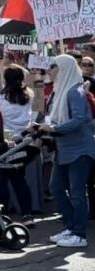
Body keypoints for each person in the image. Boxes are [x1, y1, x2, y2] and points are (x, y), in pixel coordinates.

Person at [39, 55, 95, 248]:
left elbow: (79, 119)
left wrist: (54, 129)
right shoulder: (59, 91)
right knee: (56, 188)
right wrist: (39, 127)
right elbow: (55, 119)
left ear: (64, 68)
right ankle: (71, 227)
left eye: (53, 66)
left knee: (77, 192)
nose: (49, 70)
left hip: (80, 150)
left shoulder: (75, 92)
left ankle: (79, 234)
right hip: (64, 150)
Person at [0, 65, 38, 221]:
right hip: (24, 140)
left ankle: (2, 215)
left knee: (2, 179)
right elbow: (32, 116)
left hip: (7, 140)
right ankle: (27, 214)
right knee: (19, 179)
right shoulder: (29, 95)